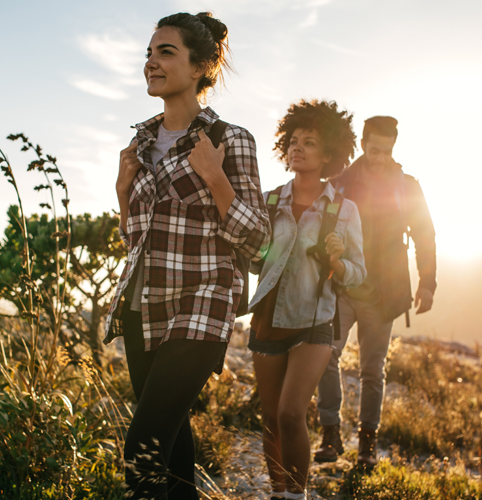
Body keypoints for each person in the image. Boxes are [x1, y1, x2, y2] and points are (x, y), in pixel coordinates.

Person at [104, 11, 270, 500]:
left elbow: (259, 240)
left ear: (199, 67)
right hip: (143, 307)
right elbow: (136, 240)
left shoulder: (228, 139)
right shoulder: (141, 143)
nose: (151, 63)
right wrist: (121, 193)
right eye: (149, 53)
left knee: (142, 444)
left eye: (165, 52)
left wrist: (216, 180)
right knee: (170, 448)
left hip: (203, 303)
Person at [249, 100, 366, 500]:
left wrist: (336, 259)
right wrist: (255, 251)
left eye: (310, 142)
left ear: (329, 153)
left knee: (290, 412)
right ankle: (277, 492)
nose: (298, 148)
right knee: (269, 419)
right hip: (267, 317)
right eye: (294, 141)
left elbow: (357, 273)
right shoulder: (268, 202)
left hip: (315, 320)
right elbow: (255, 263)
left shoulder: (344, 210)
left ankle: (296, 495)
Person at [313, 115, 437, 468]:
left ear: (393, 147)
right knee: (325, 356)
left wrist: (427, 283)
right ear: (364, 143)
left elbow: (425, 234)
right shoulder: (340, 182)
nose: (380, 156)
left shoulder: (407, 186)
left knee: (372, 370)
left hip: (385, 294)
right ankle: (330, 434)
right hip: (341, 285)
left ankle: (367, 443)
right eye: (374, 149)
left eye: (386, 150)